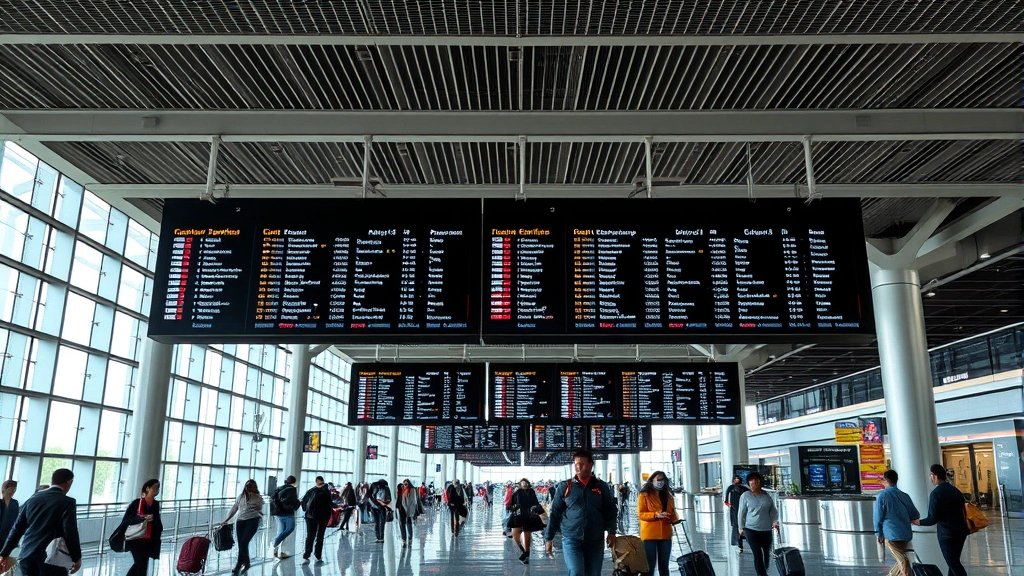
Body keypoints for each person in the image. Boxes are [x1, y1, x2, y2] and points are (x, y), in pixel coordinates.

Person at [544, 449, 617, 576]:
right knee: (576, 572)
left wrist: (611, 532)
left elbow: (610, 510)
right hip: (571, 538)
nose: (578, 467)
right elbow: (555, 513)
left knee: (593, 573)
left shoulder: (601, 487)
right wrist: (548, 538)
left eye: (582, 464)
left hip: (595, 539)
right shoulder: (565, 487)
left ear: (590, 464)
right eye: (576, 464)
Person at [0, 468, 82, 576]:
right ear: (68, 482)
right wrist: (76, 557)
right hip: (51, 557)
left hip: (27, 554)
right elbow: (70, 531)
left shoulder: (33, 498)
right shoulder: (67, 502)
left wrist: (4, 553)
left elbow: (17, 528)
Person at [914, 464, 969, 576]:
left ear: (934, 476)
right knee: (953, 562)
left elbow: (933, 518)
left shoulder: (936, 494)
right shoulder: (956, 491)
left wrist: (918, 522)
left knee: (954, 564)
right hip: (961, 531)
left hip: (946, 534)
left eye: (931, 475)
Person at [873, 470, 920, 576]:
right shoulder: (905, 496)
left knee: (903, 561)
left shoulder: (882, 496)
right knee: (903, 560)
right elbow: (915, 515)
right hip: (906, 534)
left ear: (885, 480)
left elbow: (878, 517)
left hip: (891, 535)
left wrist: (878, 534)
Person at [116, 479, 163, 576]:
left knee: (142, 564)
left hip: (149, 539)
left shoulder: (155, 504)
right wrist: (143, 518)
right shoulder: (136, 503)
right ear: (147, 488)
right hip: (136, 539)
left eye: (158, 487)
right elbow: (126, 520)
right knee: (140, 563)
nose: (157, 490)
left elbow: (157, 521)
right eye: (154, 487)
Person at [737, 472, 779, 576]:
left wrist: (775, 522)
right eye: (751, 482)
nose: (754, 483)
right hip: (751, 529)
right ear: (749, 483)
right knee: (757, 554)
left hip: (766, 530)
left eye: (756, 481)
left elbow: (773, 511)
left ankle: (765, 569)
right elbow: (741, 512)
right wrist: (741, 527)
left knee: (766, 555)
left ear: (760, 482)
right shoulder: (745, 496)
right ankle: (762, 574)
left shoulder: (766, 496)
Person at [638, 471, 678, 576]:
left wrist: (672, 518)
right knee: (649, 567)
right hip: (649, 535)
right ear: (652, 480)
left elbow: (673, 512)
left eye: (662, 480)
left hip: (665, 535)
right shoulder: (644, 495)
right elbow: (641, 514)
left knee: (664, 567)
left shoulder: (668, 496)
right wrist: (655, 515)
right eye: (658, 480)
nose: (660, 482)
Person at [219, 480, 263, 575]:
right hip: (240, 521)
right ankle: (246, 562)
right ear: (245, 487)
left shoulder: (258, 498)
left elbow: (259, 509)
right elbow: (235, 508)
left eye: (252, 486)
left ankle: (239, 564)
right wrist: (225, 520)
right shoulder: (240, 496)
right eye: (248, 486)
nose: (249, 488)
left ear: (255, 487)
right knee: (242, 543)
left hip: (252, 520)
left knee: (244, 541)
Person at [507, 479, 545, 565]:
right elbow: (511, 504)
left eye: (526, 483)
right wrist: (513, 508)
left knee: (527, 538)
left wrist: (537, 511)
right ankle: (523, 551)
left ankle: (527, 555)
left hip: (528, 516)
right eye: (523, 483)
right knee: (515, 536)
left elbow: (535, 502)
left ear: (528, 484)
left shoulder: (531, 492)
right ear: (520, 484)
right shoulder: (517, 492)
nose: (524, 484)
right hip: (518, 516)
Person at [300, 476, 333, 563]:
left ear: (316, 482)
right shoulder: (326, 491)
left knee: (310, 535)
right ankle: (318, 554)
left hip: (310, 516)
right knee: (320, 535)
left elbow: (304, 501)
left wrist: (305, 511)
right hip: (323, 516)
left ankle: (307, 553)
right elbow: (331, 503)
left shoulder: (311, 491)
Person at [269, 475, 301, 558]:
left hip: (278, 513)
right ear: (294, 482)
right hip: (287, 513)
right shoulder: (292, 489)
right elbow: (293, 502)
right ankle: (276, 542)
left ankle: (278, 550)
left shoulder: (280, 488)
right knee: (290, 528)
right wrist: (298, 503)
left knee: (281, 531)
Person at [724, 475, 749, 552]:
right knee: (737, 526)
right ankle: (740, 544)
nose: (736, 480)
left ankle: (745, 541)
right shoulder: (731, 488)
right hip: (735, 510)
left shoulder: (744, 488)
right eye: (735, 479)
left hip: (743, 509)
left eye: (738, 478)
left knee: (744, 525)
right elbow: (726, 500)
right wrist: (731, 506)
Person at [395, 479, 421, 546]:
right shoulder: (400, 489)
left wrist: (414, 511)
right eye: (404, 484)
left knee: (408, 524)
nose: (405, 485)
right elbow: (397, 498)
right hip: (401, 509)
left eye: (406, 484)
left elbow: (414, 502)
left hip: (409, 510)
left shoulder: (412, 490)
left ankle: (410, 539)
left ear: (409, 484)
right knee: (402, 525)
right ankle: (403, 540)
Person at [368, 479, 392, 543]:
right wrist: (385, 505)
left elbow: (369, 496)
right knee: (382, 522)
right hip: (382, 507)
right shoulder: (385, 487)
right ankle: (381, 537)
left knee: (376, 522)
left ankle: (378, 537)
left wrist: (373, 504)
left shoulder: (373, 485)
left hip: (373, 506)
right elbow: (388, 498)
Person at [0, 481, 19, 555]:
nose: (14, 491)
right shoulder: (1, 502)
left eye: (15, 489)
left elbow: (16, 518)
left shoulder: (15, 503)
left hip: (9, 533)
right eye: (13, 489)